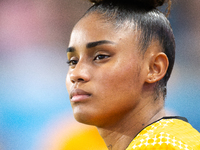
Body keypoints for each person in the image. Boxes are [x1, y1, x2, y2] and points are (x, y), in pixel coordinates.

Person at [66, 0, 200, 149]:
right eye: (73, 61)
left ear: (154, 68)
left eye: (101, 56)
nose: (76, 74)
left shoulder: (161, 145)